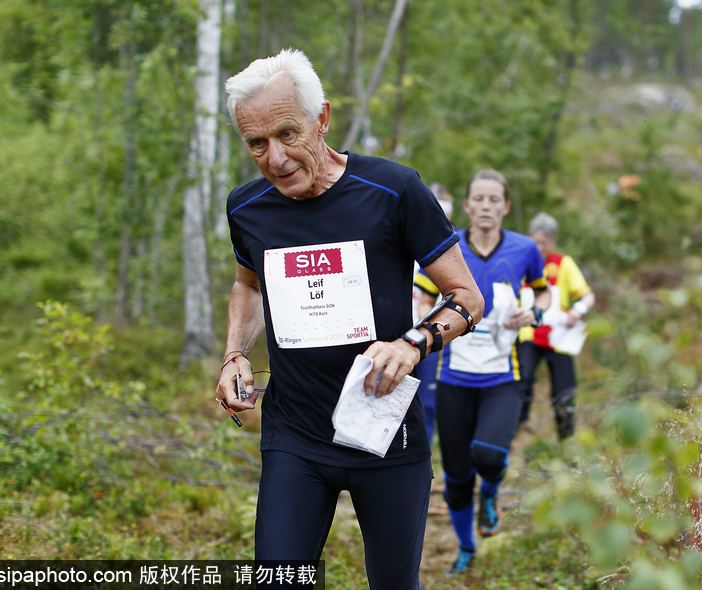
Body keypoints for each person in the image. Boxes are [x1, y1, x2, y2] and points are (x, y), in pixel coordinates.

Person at [215, 48, 483, 590]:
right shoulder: (246, 208)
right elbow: (249, 285)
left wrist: (413, 342)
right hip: (295, 435)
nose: (274, 157)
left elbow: (466, 297)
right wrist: (234, 354)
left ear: (323, 118)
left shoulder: (394, 190)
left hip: (384, 433)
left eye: (288, 134)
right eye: (256, 144)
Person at [415, 169, 551, 575]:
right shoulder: (447, 245)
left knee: (489, 455)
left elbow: (542, 289)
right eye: (480, 199)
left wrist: (535, 310)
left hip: (502, 378)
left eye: (495, 200)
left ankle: (490, 495)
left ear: (505, 206)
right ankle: (466, 547)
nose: (487, 206)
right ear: (468, 204)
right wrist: (433, 322)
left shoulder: (525, 249)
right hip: (453, 377)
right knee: (457, 478)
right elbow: (422, 296)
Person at [517, 212, 595, 440]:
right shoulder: (523, 260)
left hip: (558, 336)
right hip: (528, 333)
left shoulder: (563, 263)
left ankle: (566, 438)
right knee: (522, 378)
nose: (539, 247)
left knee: (564, 390)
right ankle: (518, 428)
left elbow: (587, 296)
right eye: (535, 242)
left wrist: (577, 310)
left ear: (553, 240)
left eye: (544, 242)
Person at [412, 182, 454, 444]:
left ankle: (424, 457)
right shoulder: (399, 234)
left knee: (427, 402)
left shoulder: (453, 245)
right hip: (395, 331)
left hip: (434, 334)